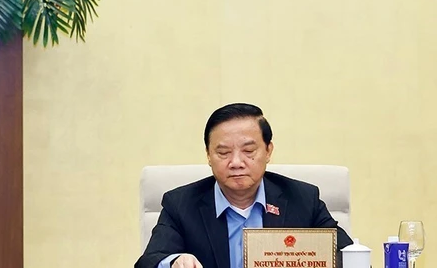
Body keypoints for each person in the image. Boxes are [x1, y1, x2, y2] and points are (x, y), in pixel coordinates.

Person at [135, 103, 354, 268]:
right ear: (209, 156)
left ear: (268, 151)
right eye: (223, 153)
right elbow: (149, 261)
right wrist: (174, 262)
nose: (236, 163)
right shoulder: (181, 204)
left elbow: (349, 257)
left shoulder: (302, 199)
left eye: (249, 151)